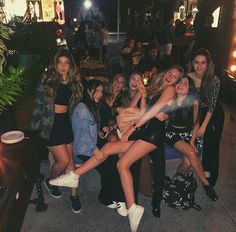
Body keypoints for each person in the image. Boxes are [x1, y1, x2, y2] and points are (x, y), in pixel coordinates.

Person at [49, 66, 184, 232]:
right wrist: (143, 95)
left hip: (153, 136)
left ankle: (132, 207)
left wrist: (131, 129)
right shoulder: (158, 90)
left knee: (122, 164)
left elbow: (153, 113)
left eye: (175, 76)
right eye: (170, 72)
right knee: (108, 147)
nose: (171, 76)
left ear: (177, 81)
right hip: (147, 134)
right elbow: (143, 112)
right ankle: (74, 176)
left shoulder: (170, 90)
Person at [31, 49, 83, 213]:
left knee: (71, 162)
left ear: (70, 65)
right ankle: (52, 181)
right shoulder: (47, 80)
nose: (63, 66)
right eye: (60, 62)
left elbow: (81, 101)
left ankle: (74, 195)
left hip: (65, 123)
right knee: (63, 160)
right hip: (49, 124)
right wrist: (35, 130)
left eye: (66, 63)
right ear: (56, 64)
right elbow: (38, 103)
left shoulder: (75, 83)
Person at [163, 75, 218, 200]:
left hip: (189, 133)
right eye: (179, 82)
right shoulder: (170, 99)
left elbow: (196, 123)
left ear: (190, 89)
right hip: (172, 133)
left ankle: (179, 176)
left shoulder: (193, 101)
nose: (181, 84)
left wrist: (192, 141)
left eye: (185, 83)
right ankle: (206, 184)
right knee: (191, 152)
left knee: (187, 163)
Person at [187, 48, 224, 187]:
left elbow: (212, 105)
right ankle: (193, 169)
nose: (199, 66)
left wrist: (202, 127)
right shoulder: (188, 77)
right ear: (192, 63)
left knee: (211, 142)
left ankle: (210, 176)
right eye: (196, 62)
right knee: (192, 141)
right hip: (196, 112)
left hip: (213, 114)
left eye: (203, 63)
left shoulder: (215, 80)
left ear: (208, 64)